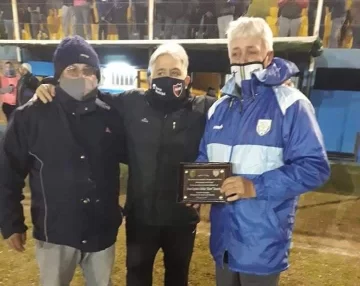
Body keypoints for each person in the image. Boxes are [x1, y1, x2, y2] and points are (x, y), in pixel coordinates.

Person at [35, 42, 216, 286]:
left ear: (186, 77)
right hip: (141, 217)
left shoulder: (204, 108)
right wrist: (51, 84)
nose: (167, 78)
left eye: (174, 72)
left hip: (181, 218)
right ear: (150, 76)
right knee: (137, 278)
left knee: (177, 277)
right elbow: (87, 91)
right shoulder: (131, 101)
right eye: (160, 73)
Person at [196, 17, 330, 286]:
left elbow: (314, 167)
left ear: (268, 56)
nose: (242, 59)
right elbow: (205, 158)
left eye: (251, 52)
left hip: (262, 245)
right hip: (223, 241)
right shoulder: (219, 108)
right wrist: (197, 187)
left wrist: (254, 187)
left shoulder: (292, 104)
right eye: (236, 53)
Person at [0, 36, 125, 286]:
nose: (81, 75)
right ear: (58, 74)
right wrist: (11, 222)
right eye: (72, 69)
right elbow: (8, 172)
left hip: (101, 230)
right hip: (55, 232)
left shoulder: (110, 113)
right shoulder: (31, 116)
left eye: (88, 70)